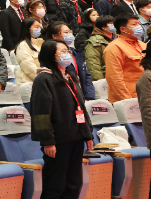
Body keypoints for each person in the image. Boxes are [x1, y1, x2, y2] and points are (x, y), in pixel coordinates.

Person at [30, 39, 94, 199]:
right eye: (62, 51)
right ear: (51, 55)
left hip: (76, 138)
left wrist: (87, 135)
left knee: (74, 185)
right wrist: (47, 141)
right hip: (58, 141)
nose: (67, 55)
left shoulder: (70, 76)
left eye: (67, 51)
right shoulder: (43, 79)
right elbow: (40, 113)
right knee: (55, 186)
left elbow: (81, 106)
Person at [45, 21, 95, 101]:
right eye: (66, 32)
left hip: (83, 95)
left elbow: (86, 76)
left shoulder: (74, 51)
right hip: (66, 98)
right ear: (54, 36)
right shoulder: (48, 54)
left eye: (69, 32)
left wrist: (89, 97)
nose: (69, 35)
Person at [104, 13, 147, 102]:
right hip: (129, 99)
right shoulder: (114, 48)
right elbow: (114, 78)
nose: (139, 27)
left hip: (145, 96)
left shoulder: (143, 45)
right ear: (122, 29)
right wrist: (128, 102)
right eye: (134, 24)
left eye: (139, 24)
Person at [84, 15, 115, 81]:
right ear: (103, 27)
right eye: (111, 24)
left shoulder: (118, 38)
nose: (113, 25)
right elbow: (93, 65)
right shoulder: (95, 42)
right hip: (106, 77)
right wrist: (100, 82)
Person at [14, 18, 44, 86]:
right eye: (36, 27)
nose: (39, 29)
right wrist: (44, 79)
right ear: (28, 28)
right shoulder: (23, 45)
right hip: (29, 81)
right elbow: (29, 68)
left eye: (40, 27)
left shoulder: (42, 42)